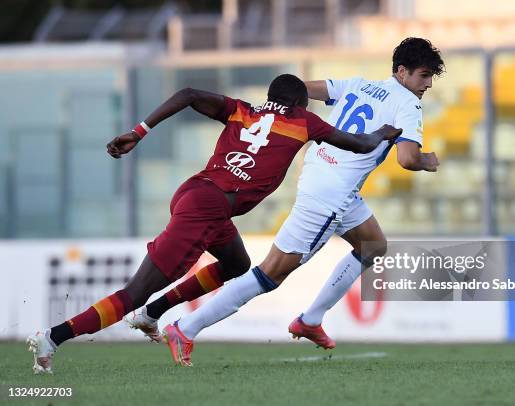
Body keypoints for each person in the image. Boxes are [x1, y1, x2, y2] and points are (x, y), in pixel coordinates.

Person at [26, 73, 401, 374]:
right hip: (205, 210)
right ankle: (54, 337)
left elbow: (188, 93)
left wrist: (139, 131)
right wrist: (384, 134)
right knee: (134, 291)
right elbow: (360, 144)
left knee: (236, 264)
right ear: (300, 103)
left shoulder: (242, 109)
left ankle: (151, 315)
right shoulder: (303, 121)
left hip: (198, 193)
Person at [126, 37, 443, 367]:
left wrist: (274, 113)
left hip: (323, 173)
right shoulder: (408, 103)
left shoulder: (359, 84)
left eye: (431, 77)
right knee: (271, 273)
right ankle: (186, 328)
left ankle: (310, 319)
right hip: (331, 193)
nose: (428, 84)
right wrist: (428, 161)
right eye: (423, 75)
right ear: (402, 72)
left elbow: (301, 88)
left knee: (374, 246)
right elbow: (407, 159)